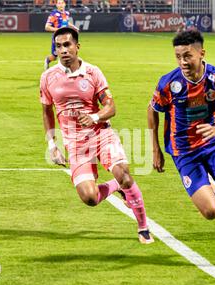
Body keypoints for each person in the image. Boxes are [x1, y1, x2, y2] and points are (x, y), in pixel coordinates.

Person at [147, 30, 215, 271]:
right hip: (184, 152)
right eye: (178, 57)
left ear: (201, 53)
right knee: (211, 212)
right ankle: (209, 185)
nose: (183, 62)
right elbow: (152, 110)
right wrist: (155, 149)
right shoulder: (168, 84)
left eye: (188, 56)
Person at [40, 27, 154, 244]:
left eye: (67, 45)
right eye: (59, 46)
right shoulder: (48, 77)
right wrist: (51, 145)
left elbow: (111, 107)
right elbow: (46, 110)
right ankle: (116, 186)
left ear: (77, 47)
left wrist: (94, 117)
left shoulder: (93, 72)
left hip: (101, 135)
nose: (63, 50)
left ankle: (143, 227)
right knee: (90, 198)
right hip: (75, 144)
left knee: (124, 173)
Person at [44, 0, 78, 70]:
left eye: (62, 3)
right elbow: (47, 27)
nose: (61, 5)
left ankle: (66, 69)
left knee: (68, 52)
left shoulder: (66, 13)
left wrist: (73, 27)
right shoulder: (54, 14)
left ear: (65, 4)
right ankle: (48, 60)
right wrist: (59, 30)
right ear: (56, 5)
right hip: (57, 38)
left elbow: (66, 22)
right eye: (59, 3)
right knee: (54, 56)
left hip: (66, 37)